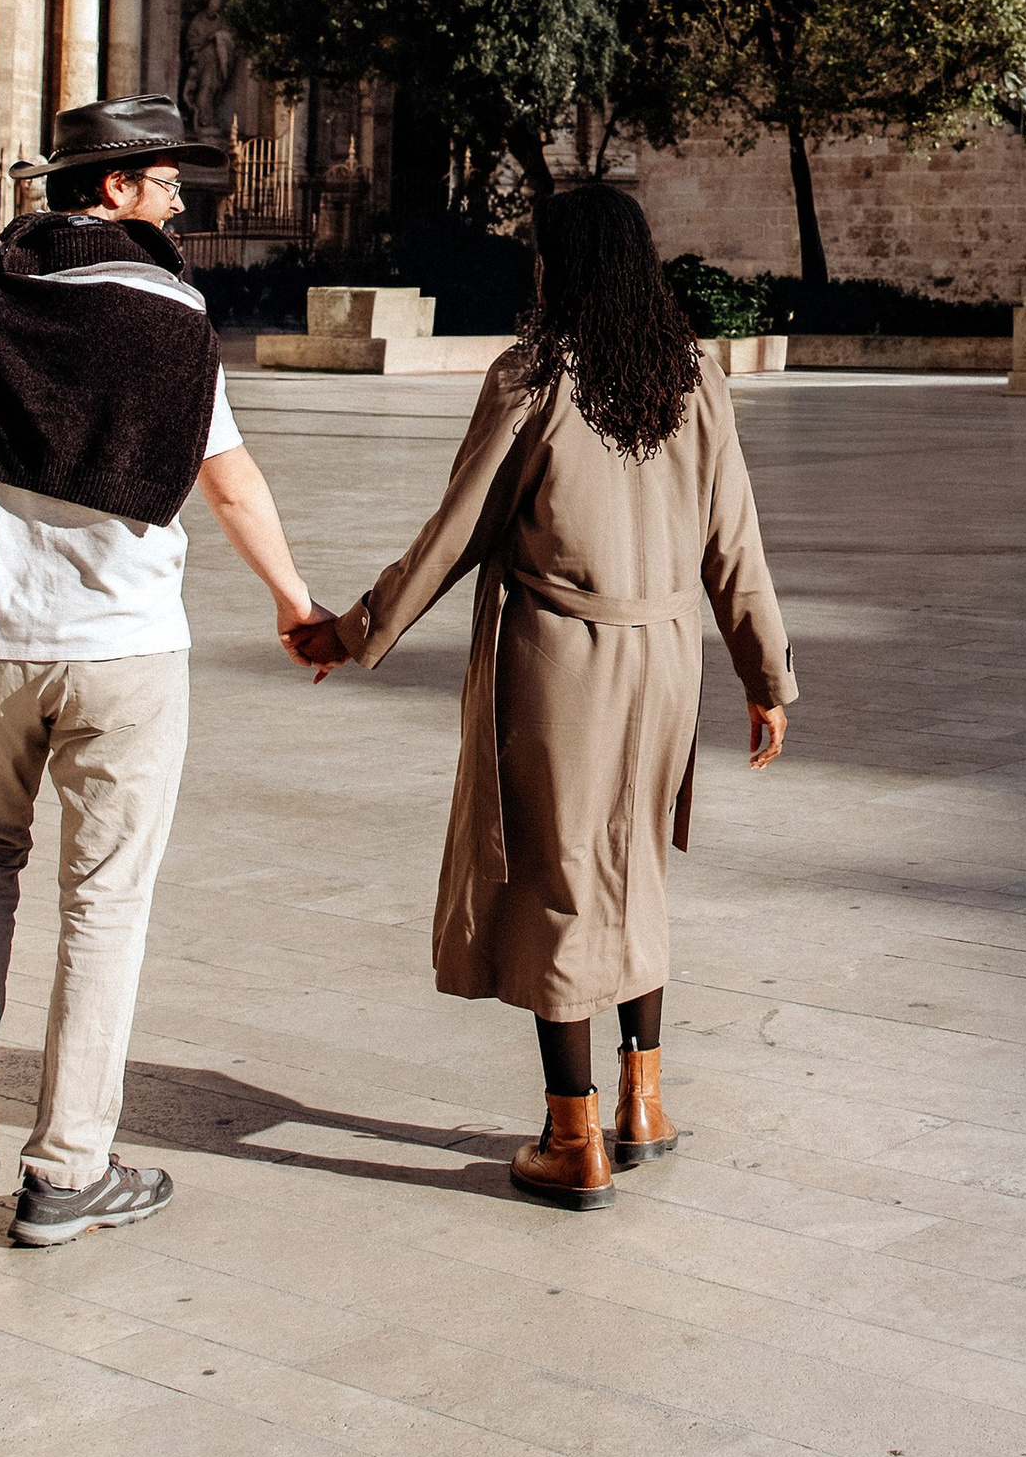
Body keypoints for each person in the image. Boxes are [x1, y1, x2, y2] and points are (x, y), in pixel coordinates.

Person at [289, 187, 794, 1212]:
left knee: (559, 877)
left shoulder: (535, 375)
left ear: (561, 266)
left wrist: (352, 631)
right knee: (633, 868)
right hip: (665, 657)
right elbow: (731, 541)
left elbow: (454, 531)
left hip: (560, 656)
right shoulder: (693, 374)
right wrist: (765, 675)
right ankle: (643, 1106)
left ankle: (574, 1137)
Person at [0, 96, 329, 1247]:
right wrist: (294, 600)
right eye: (170, 181)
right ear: (116, 189)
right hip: (122, 646)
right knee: (104, 899)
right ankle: (69, 1167)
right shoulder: (175, 311)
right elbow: (225, 480)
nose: (186, 199)